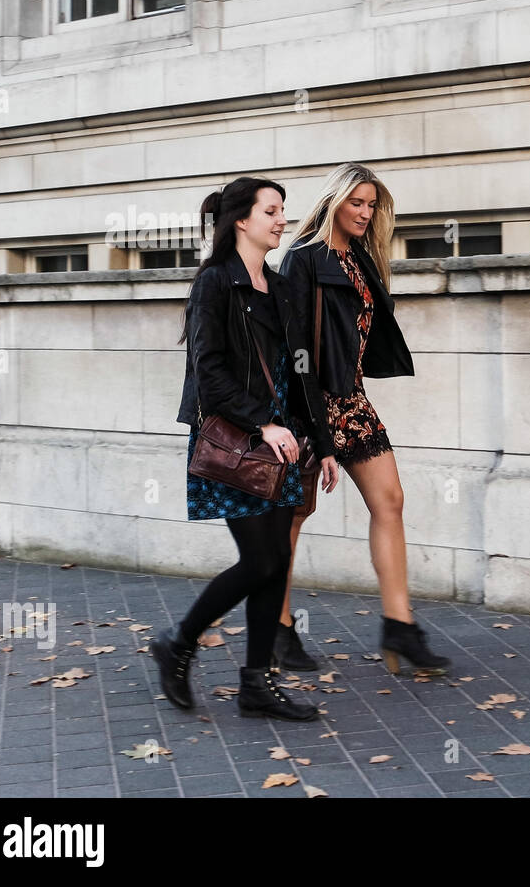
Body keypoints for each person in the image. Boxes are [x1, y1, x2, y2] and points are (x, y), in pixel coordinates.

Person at [152, 176, 340, 721]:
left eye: (283, 211)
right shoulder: (216, 282)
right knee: (260, 560)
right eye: (272, 211)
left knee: (277, 560)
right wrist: (262, 424)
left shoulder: (279, 287)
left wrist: (321, 444)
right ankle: (179, 643)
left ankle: (257, 684)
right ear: (242, 220)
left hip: (283, 443)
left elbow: (300, 373)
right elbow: (208, 372)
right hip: (239, 441)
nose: (282, 220)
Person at [274, 162, 450, 676]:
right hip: (310, 403)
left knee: (390, 500)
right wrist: (309, 421)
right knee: (294, 515)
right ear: (335, 201)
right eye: (357, 202)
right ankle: (279, 629)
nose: (365, 212)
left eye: (372, 205)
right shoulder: (303, 259)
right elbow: (295, 346)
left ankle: (400, 626)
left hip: (350, 398)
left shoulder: (361, 260)